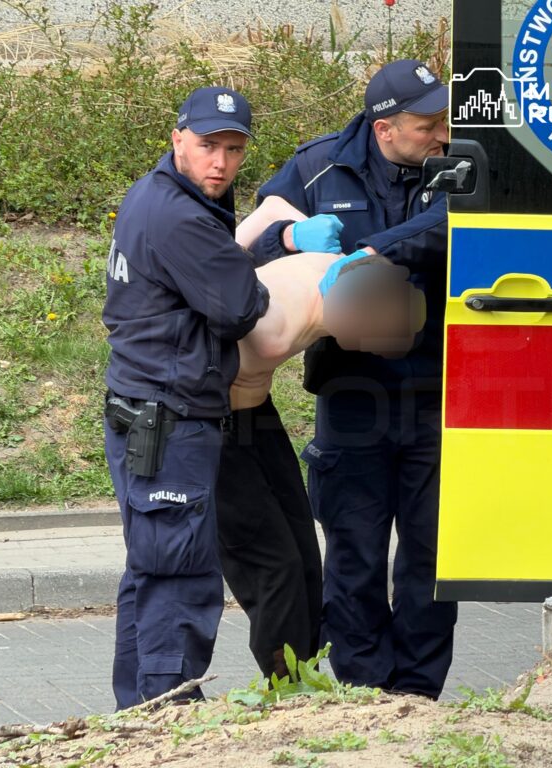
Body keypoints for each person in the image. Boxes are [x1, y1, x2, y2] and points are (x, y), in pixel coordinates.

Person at [245, 59, 459, 699]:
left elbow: (462, 220)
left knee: (429, 560)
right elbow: (247, 245)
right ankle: (365, 693)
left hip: (437, 394)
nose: (443, 134)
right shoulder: (317, 168)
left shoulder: (459, 162)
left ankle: (419, 698)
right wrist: (289, 234)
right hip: (352, 393)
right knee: (354, 556)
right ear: (384, 127)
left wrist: (374, 252)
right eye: (428, 124)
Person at [101, 85, 271, 709]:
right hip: (170, 422)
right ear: (177, 139)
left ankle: (134, 713)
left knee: (150, 570)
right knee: (181, 571)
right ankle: (164, 713)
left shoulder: (155, 195)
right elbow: (241, 307)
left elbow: (215, 275)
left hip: (144, 410)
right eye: (207, 146)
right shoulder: (180, 216)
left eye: (233, 149)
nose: (220, 163)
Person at [216, 248, 425, 680]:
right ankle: (287, 686)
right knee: (277, 566)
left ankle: (305, 675)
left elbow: (270, 214)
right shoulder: (272, 328)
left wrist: (292, 228)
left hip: (257, 415)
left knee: (307, 559)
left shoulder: (339, 265)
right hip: (211, 427)